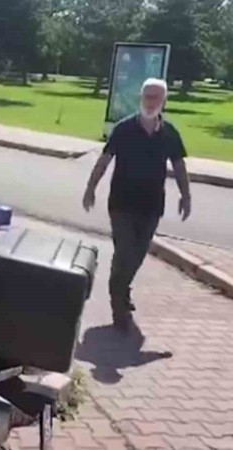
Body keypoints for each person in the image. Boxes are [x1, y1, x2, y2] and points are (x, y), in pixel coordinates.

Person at [83, 77, 192, 330]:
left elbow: (179, 165)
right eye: (147, 96)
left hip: (151, 206)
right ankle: (118, 307)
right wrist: (90, 188)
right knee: (124, 253)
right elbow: (104, 160)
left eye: (156, 97)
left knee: (138, 255)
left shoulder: (169, 133)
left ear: (164, 101)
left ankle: (122, 289)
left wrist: (186, 196)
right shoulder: (123, 129)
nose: (151, 101)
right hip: (121, 203)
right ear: (140, 98)